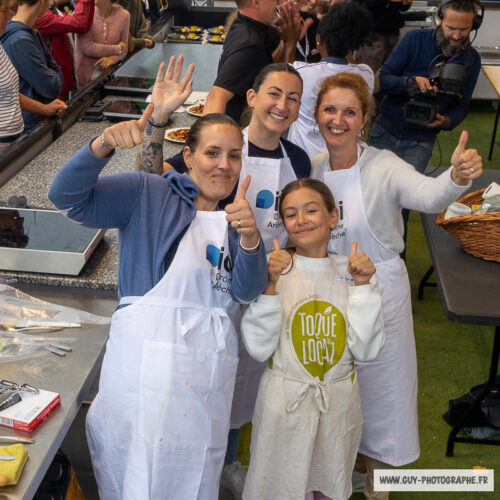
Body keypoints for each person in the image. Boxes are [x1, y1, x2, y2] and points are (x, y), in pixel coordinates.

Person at [48, 57, 268, 499]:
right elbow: (67, 196)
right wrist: (100, 145)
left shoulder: (237, 222)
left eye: (233, 156)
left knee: (193, 481)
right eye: (212, 153)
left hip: (203, 391)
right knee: (136, 479)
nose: (224, 165)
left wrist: (250, 240)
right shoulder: (150, 194)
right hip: (142, 383)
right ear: (188, 156)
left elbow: (246, 291)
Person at [135, 62, 311, 498]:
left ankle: (226, 462)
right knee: (197, 382)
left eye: (292, 98)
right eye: (274, 93)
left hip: (263, 287)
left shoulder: (299, 160)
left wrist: (289, 255)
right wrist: (159, 119)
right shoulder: (221, 143)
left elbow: (299, 221)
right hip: (208, 281)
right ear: (251, 97)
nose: (282, 105)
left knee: (245, 381)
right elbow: (149, 179)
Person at [310, 72, 482, 499]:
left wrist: (456, 177)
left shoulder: (383, 166)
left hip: (380, 293)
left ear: (364, 119)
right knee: (336, 395)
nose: (338, 120)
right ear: (316, 114)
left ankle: (378, 490)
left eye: (350, 112)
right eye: (330, 110)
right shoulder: (312, 168)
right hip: (328, 292)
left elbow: (427, 195)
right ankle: (345, 478)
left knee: (384, 400)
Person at [241, 178, 385, 500]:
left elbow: (367, 350)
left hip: (337, 407)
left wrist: (363, 286)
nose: (301, 220)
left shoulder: (353, 272)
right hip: (284, 405)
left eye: (311, 210)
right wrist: (270, 285)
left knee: (328, 481)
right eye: (291, 214)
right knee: (279, 484)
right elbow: (258, 347)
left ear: (333, 217)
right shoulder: (273, 268)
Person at [369, 0, 482, 173]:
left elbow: (462, 105)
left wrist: (446, 121)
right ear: (439, 19)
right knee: (371, 184)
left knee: (409, 190)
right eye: (451, 28)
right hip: (386, 129)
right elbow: (383, 80)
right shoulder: (414, 39)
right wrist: (410, 82)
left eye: (464, 29)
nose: (457, 36)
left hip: (422, 139)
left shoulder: (471, 60)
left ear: (474, 25)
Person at [288, 1, 374, 157]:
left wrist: (291, 40)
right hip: (347, 161)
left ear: (318, 39)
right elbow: (349, 63)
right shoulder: (366, 75)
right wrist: (346, 42)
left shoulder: (301, 72)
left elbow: (280, 73)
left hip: (304, 161)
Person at [204, 0, 306, 123]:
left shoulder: (246, 25)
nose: (278, 1)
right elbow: (216, 96)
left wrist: (288, 42)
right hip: (242, 129)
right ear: (256, 2)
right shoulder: (249, 44)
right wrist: (209, 135)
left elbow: (269, 69)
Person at [0, 0, 66, 131]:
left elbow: (12, 93)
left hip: (19, 127)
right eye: (5, 10)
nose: (10, 15)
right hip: (23, 127)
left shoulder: (31, 31)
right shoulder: (19, 39)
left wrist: (44, 108)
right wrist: (52, 75)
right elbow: (50, 86)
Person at [35, 0, 95, 98]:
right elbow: (80, 23)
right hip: (53, 89)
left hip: (61, 83)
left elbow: (82, 22)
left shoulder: (49, 11)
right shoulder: (40, 16)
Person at [353, 0, 413, 90]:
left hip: (393, 32)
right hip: (371, 34)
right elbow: (361, 4)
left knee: (392, 74)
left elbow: (401, 8)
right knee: (366, 76)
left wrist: (405, 3)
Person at [75, 0, 129, 86]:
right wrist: (117, 49)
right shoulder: (82, 14)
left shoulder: (124, 15)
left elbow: (124, 47)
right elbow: (88, 47)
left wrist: (113, 58)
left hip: (112, 78)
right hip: (84, 82)